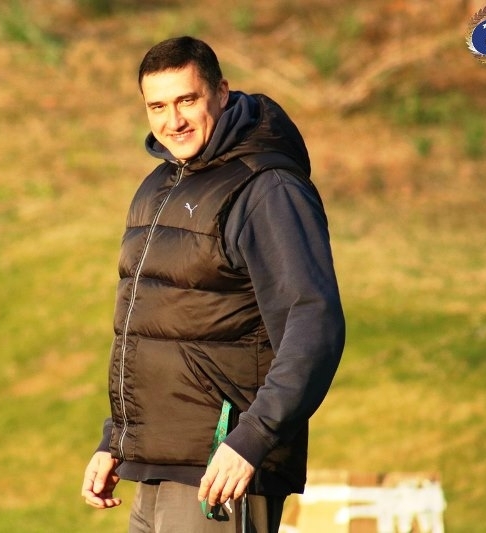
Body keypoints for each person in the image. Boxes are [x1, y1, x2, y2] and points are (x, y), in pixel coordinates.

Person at [81, 36, 345, 533]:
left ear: (221, 92)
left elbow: (314, 326)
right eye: (157, 106)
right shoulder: (159, 186)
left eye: (187, 100)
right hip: (156, 468)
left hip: (221, 473)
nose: (173, 121)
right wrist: (116, 439)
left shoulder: (267, 189)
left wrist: (252, 438)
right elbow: (152, 326)